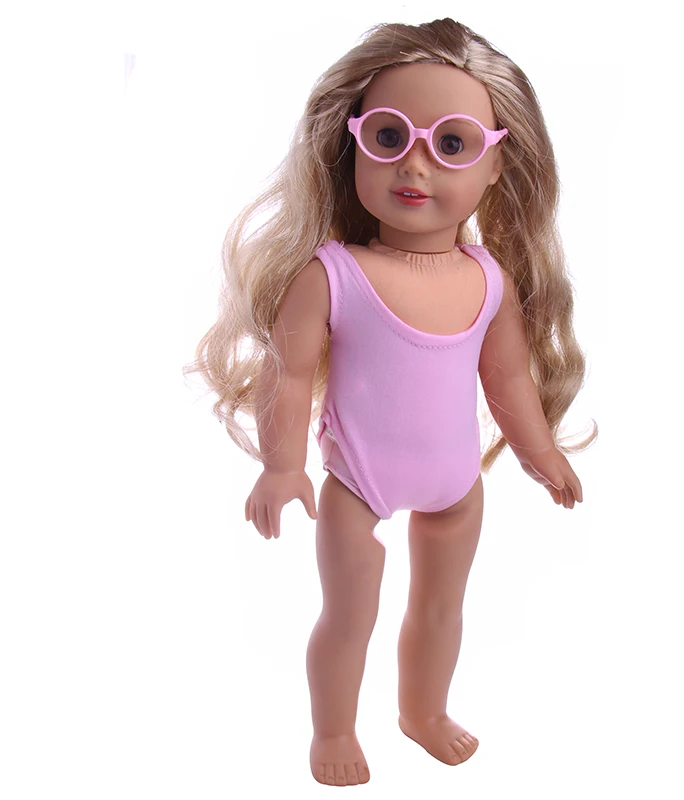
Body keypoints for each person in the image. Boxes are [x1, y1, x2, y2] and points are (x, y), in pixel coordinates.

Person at [185, 17, 596, 787]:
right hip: (357, 483)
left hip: (456, 485)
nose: (415, 164)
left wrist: (540, 451)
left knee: (441, 608)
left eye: (451, 144)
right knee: (350, 615)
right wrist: (281, 466)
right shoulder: (332, 273)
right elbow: (288, 373)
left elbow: (508, 380)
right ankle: (334, 730)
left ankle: (423, 712)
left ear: (496, 164)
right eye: (388, 136)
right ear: (352, 144)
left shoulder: (489, 280)